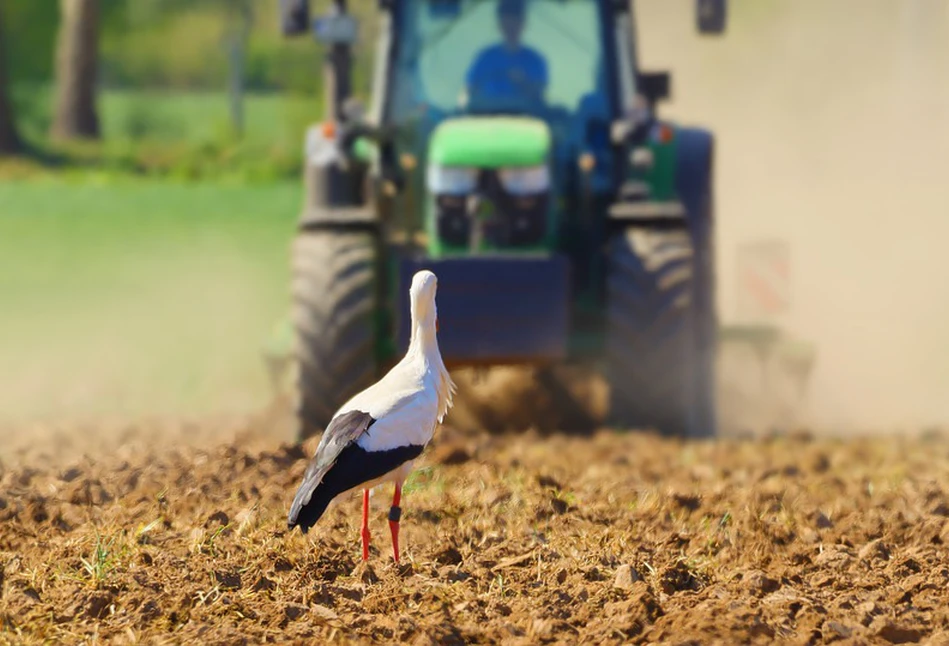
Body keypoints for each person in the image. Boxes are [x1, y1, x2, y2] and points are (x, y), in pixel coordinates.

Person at [464, 0, 548, 108]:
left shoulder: (535, 60)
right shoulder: (485, 57)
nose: (510, 29)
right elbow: (470, 89)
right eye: (506, 24)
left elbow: (540, 94)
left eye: (514, 24)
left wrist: (523, 82)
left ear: (523, 24)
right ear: (499, 25)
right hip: (487, 115)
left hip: (524, 116)